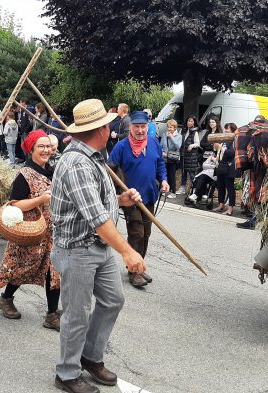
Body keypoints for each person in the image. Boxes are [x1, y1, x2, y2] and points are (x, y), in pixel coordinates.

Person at [50, 99, 145, 393]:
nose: (112, 129)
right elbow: (96, 219)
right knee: (77, 314)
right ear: (101, 130)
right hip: (78, 249)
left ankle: (90, 357)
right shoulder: (77, 162)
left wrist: (120, 200)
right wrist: (128, 251)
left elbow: (92, 204)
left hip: (97, 247)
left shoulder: (93, 157)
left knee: (113, 300)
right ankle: (67, 373)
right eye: (108, 125)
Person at [0, 130, 61, 330]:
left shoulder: (52, 171)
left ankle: (51, 314)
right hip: (30, 231)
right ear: (31, 149)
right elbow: (15, 204)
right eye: (41, 146)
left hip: (51, 232)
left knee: (54, 271)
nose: (46, 150)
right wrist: (40, 200)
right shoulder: (25, 175)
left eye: (48, 146)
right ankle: (5, 298)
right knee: (22, 268)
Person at [108, 111, 169, 288]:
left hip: (149, 195)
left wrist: (164, 180)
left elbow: (160, 165)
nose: (140, 130)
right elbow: (110, 170)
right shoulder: (121, 146)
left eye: (143, 126)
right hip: (130, 197)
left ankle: (139, 266)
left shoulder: (154, 143)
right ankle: (134, 272)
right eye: (137, 126)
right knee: (137, 233)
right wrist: (116, 193)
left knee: (146, 234)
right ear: (131, 127)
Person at [212, 123, 237, 215]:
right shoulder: (223, 139)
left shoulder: (233, 140)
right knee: (220, 187)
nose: (226, 130)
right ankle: (221, 205)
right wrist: (216, 148)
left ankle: (230, 208)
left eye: (228, 129)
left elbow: (231, 153)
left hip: (229, 167)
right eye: (225, 128)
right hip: (220, 166)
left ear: (233, 130)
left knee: (230, 188)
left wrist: (221, 148)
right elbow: (218, 152)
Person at [176, 115, 200, 195]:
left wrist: (192, 145)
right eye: (188, 121)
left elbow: (197, 143)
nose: (189, 122)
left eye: (191, 121)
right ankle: (182, 188)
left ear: (194, 123)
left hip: (191, 156)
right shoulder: (183, 131)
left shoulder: (195, 132)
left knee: (192, 174)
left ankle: (195, 190)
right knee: (184, 172)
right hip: (183, 155)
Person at [161, 119, 182, 198]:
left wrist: (172, 138)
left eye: (171, 127)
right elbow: (161, 145)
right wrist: (162, 152)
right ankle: (166, 190)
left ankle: (173, 192)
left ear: (175, 128)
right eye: (168, 127)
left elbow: (178, 146)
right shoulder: (164, 135)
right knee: (165, 175)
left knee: (171, 175)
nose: (169, 129)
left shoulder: (179, 136)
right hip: (164, 158)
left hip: (173, 158)